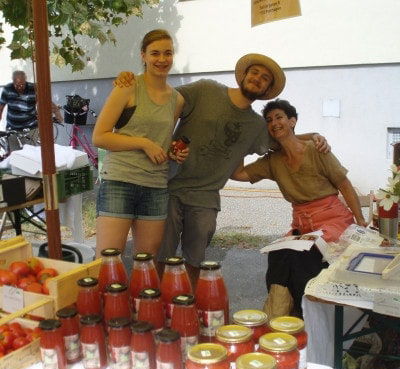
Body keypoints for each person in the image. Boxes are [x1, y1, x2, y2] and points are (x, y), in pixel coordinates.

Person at [115, 53, 330, 287]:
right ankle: (152, 306)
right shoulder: (206, 89)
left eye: (265, 78)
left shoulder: (257, 127)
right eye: (255, 72)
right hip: (168, 184)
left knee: (195, 260)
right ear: (243, 75)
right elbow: (163, 99)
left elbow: (284, 136)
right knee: (159, 255)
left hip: (205, 197)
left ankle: (187, 308)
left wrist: (314, 136)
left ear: (267, 89)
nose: (258, 78)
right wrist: (133, 81)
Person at [231, 98, 367, 317]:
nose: (274, 122)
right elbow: (237, 174)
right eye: (269, 120)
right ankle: (281, 315)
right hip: (302, 225)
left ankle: (304, 317)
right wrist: (243, 145)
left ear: (292, 121)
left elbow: (344, 185)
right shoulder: (272, 161)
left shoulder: (316, 149)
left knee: (303, 256)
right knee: (279, 253)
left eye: (279, 117)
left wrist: (360, 221)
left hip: (332, 221)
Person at [92, 29, 188, 259]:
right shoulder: (127, 86)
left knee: (146, 263)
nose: (162, 59)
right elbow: (100, 136)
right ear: (143, 55)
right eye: (155, 53)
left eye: (168, 53)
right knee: (108, 259)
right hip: (120, 181)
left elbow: (161, 142)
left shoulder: (177, 100)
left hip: (155, 186)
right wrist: (144, 143)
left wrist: (172, 152)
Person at [0, 70, 63, 147]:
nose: (20, 87)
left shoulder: (33, 88)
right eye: (17, 85)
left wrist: (56, 112)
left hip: (30, 129)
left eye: (22, 84)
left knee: (29, 154)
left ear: (25, 80)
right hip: (12, 128)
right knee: (14, 155)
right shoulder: (8, 89)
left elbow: (45, 100)